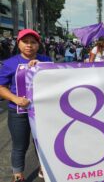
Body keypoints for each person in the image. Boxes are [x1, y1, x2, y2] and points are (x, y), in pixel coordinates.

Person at [0, 29, 51, 182]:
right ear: (19, 43)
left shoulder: (46, 59)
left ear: (38, 44)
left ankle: (44, 168)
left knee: (42, 143)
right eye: (25, 42)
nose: (29, 45)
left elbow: (58, 78)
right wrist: (15, 99)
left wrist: (44, 67)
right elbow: (1, 86)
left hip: (42, 111)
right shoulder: (9, 63)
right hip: (18, 112)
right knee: (19, 145)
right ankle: (18, 175)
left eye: (33, 42)